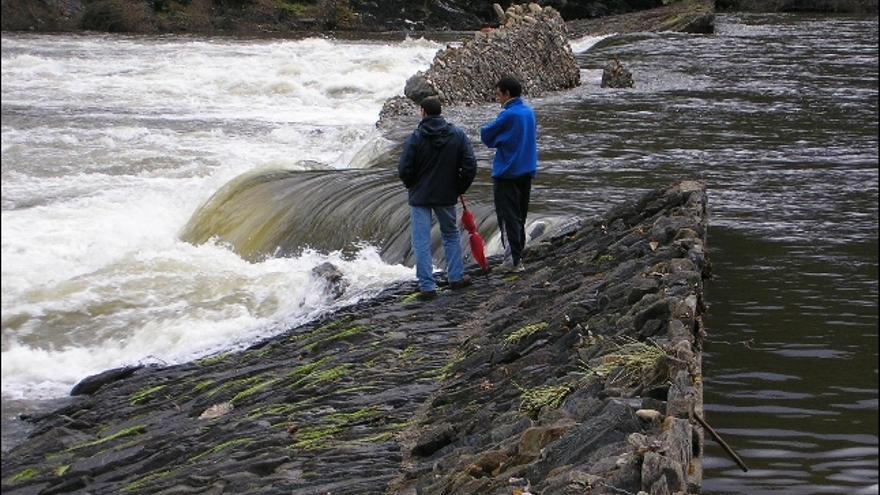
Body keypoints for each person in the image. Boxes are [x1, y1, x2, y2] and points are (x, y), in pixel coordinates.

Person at [398, 97, 477, 299]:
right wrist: (459, 186)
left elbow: (404, 169)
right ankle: (456, 277)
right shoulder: (457, 135)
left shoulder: (415, 137)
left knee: (421, 241)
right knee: (450, 235)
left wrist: (411, 185)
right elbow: (470, 165)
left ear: (423, 112)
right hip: (446, 194)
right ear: (441, 112)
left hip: (420, 196)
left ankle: (427, 286)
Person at [480, 75, 537, 272]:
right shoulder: (529, 112)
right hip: (527, 169)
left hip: (507, 172)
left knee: (507, 216)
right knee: (520, 214)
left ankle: (512, 260)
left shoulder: (508, 114)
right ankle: (518, 254)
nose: (497, 98)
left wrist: (496, 141)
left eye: (498, 94)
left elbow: (487, 135)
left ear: (507, 94)